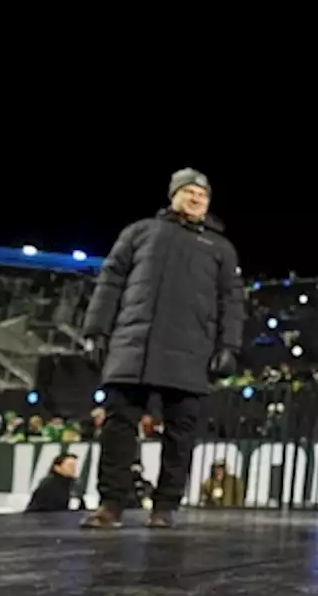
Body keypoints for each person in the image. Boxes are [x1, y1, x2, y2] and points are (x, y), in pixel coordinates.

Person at [79, 168, 244, 529]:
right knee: (119, 424)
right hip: (133, 346)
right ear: (173, 195)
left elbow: (231, 301)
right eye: (188, 191)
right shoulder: (140, 232)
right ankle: (111, 505)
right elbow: (110, 280)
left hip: (192, 349)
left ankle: (165, 506)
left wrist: (229, 346)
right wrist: (95, 330)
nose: (196, 198)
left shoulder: (221, 248)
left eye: (202, 194)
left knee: (181, 429)